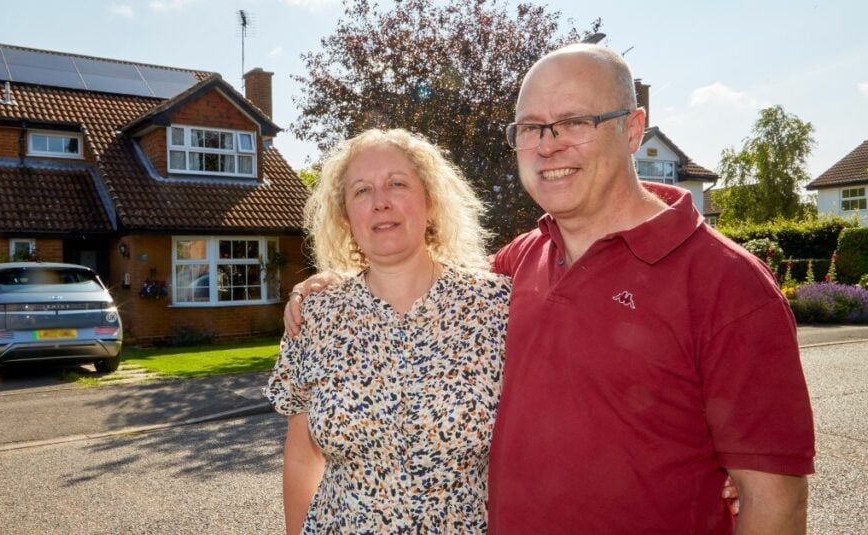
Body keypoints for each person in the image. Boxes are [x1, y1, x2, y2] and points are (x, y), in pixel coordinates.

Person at [287, 44, 813, 534]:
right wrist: (334, 283)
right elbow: (417, 281)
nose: (548, 144)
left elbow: (775, 500)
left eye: (574, 122)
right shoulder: (518, 263)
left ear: (633, 130)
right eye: (532, 127)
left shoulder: (728, 285)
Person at [265, 128, 511, 534]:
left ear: (430, 201)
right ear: (346, 216)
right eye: (362, 191)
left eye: (397, 184)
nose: (380, 202)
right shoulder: (315, 316)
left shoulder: (497, 307)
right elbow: (302, 458)